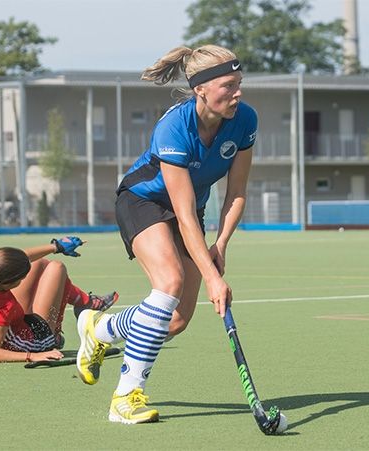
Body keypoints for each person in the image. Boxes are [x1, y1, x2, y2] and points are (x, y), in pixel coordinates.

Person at [75, 44, 256, 424]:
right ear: (201, 89)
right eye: (228, 85)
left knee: (174, 322)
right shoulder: (174, 127)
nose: (237, 92)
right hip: (143, 201)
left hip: (189, 209)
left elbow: (237, 191)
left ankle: (101, 327)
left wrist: (219, 245)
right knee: (170, 281)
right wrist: (211, 277)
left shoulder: (245, 120)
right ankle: (125, 398)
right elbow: (184, 214)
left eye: (239, 83)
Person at [0, 236, 119, 363]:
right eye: (21, 278)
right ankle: (58, 332)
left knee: (39, 263)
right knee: (56, 268)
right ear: (8, 282)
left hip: (14, 326)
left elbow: (23, 259)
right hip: (30, 342)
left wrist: (56, 246)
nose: (23, 279)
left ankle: (85, 302)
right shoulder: (2, 309)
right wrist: (35, 355)